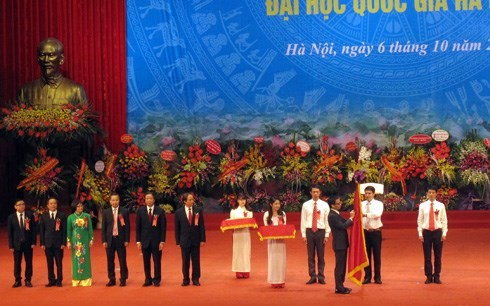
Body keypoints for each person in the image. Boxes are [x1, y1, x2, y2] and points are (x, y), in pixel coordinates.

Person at [17, 38, 87, 109]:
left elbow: (85, 118)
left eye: (51, 55)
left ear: (61, 60)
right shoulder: (25, 90)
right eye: (42, 55)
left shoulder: (75, 90)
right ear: (38, 59)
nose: (46, 60)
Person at [417, 187, 448, 284]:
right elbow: (420, 220)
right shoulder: (422, 205)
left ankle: (437, 275)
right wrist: (420, 233)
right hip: (426, 232)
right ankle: (429, 276)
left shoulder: (441, 205)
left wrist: (444, 233)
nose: (431, 194)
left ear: (436, 194)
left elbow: (444, 220)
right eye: (429, 192)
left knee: (438, 255)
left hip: (437, 231)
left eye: (433, 192)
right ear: (427, 193)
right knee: (427, 256)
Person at [300, 186, 331, 285]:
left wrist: (327, 234)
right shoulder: (305, 205)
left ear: (320, 192)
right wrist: (304, 234)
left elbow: (327, 220)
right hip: (309, 230)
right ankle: (312, 276)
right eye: (314, 192)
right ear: (310, 193)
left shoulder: (325, 205)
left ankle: (321, 276)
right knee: (310, 255)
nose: (315, 194)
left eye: (317, 192)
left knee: (321, 256)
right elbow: (303, 220)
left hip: (320, 231)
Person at [136, 192, 166, 287]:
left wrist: (162, 241)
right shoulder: (140, 211)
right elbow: (138, 227)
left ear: (154, 200)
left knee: (157, 261)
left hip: (156, 241)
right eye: (147, 198)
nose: (148, 200)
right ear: (145, 200)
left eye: (150, 198)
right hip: (145, 241)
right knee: (146, 261)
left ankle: (157, 279)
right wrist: (138, 241)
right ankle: (148, 279)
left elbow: (163, 228)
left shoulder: (160, 211)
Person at [175, 193, 206, 286]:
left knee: (196, 261)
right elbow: (177, 228)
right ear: (185, 201)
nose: (192, 201)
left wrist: (202, 239)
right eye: (190, 200)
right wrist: (177, 241)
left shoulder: (198, 210)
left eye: (192, 199)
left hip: (195, 239)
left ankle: (196, 278)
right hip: (184, 240)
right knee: (185, 261)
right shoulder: (178, 212)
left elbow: (201, 226)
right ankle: (185, 279)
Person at [102, 193, 130, 287]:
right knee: (110, 260)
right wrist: (104, 240)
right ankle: (111, 279)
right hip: (110, 239)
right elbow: (104, 228)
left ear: (119, 200)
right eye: (113, 200)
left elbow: (127, 227)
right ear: (110, 201)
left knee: (122, 260)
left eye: (116, 200)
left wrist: (127, 239)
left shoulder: (124, 211)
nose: (115, 202)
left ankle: (123, 278)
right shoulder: (106, 212)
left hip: (120, 239)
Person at [328, 196, 355, 294]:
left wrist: (351, 219)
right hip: (339, 244)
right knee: (339, 266)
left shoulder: (336, 214)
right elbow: (344, 226)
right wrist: (351, 218)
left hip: (341, 244)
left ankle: (341, 286)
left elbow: (345, 222)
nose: (340, 204)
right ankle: (339, 287)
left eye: (340, 202)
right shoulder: (332, 215)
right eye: (338, 203)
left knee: (342, 266)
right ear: (332, 205)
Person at [8, 200, 37, 288]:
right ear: (15, 206)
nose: (21, 206)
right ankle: (17, 280)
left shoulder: (29, 215)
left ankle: (28, 280)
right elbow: (10, 233)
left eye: (23, 204)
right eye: (19, 205)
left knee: (29, 262)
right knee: (17, 263)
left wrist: (33, 242)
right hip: (17, 244)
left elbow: (33, 230)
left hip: (28, 243)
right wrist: (11, 245)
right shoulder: (11, 217)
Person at [39, 197, 67, 287]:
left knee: (59, 263)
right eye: (51, 203)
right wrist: (42, 243)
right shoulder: (44, 216)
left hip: (59, 244)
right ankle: (51, 280)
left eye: (54, 203)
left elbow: (64, 230)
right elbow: (41, 231)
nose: (53, 205)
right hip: (48, 243)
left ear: (57, 205)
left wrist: (63, 243)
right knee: (49, 263)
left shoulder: (62, 215)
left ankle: (59, 280)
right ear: (47, 205)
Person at [66, 200, 94, 286]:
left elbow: (90, 228)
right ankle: (76, 279)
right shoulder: (70, 217)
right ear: (74, 207)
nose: (80, 208)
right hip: (75, 241)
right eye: (78, 206)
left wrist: (91, 239)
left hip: (84, 240)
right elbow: (69, 230)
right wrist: (68, 241)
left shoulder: (87, 216)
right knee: (76, 259)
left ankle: (86, 279)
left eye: (81, 206)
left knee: (85, 258)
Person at [361, 185, 384, 284]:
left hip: (376, 232)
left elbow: (377, 214)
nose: (367, 195)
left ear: (373, 194)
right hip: (365, 232)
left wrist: (365, 215)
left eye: (369, 193)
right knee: (366, 256)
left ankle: (377, 277)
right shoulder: (361, 204)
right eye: (366, 193)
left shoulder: (379, 204)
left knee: (377, 255)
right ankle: (367, 276)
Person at [263, 199, 287, 288]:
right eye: (275, 204)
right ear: (271, 204)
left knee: (281, 259)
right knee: (273, 259)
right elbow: (266, 228)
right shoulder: (266, 215)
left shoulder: (283, 214)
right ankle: (273, 280)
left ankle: (281, 280)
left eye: (279, 204)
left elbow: (285, 227)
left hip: (281, 241)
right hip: (272, 241)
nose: (277, 205)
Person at [230, 193, 252, 278]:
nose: (242, 201)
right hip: (237, 234)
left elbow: (250, 222)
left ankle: (246, 270)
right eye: (240, 199)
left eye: (244, 199)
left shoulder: (249, 211)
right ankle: (238, 271)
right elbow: (231, 223)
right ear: (237, 201)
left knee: (246, 251)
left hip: (246, 233)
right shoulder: (233, 211)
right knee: (238, 252)